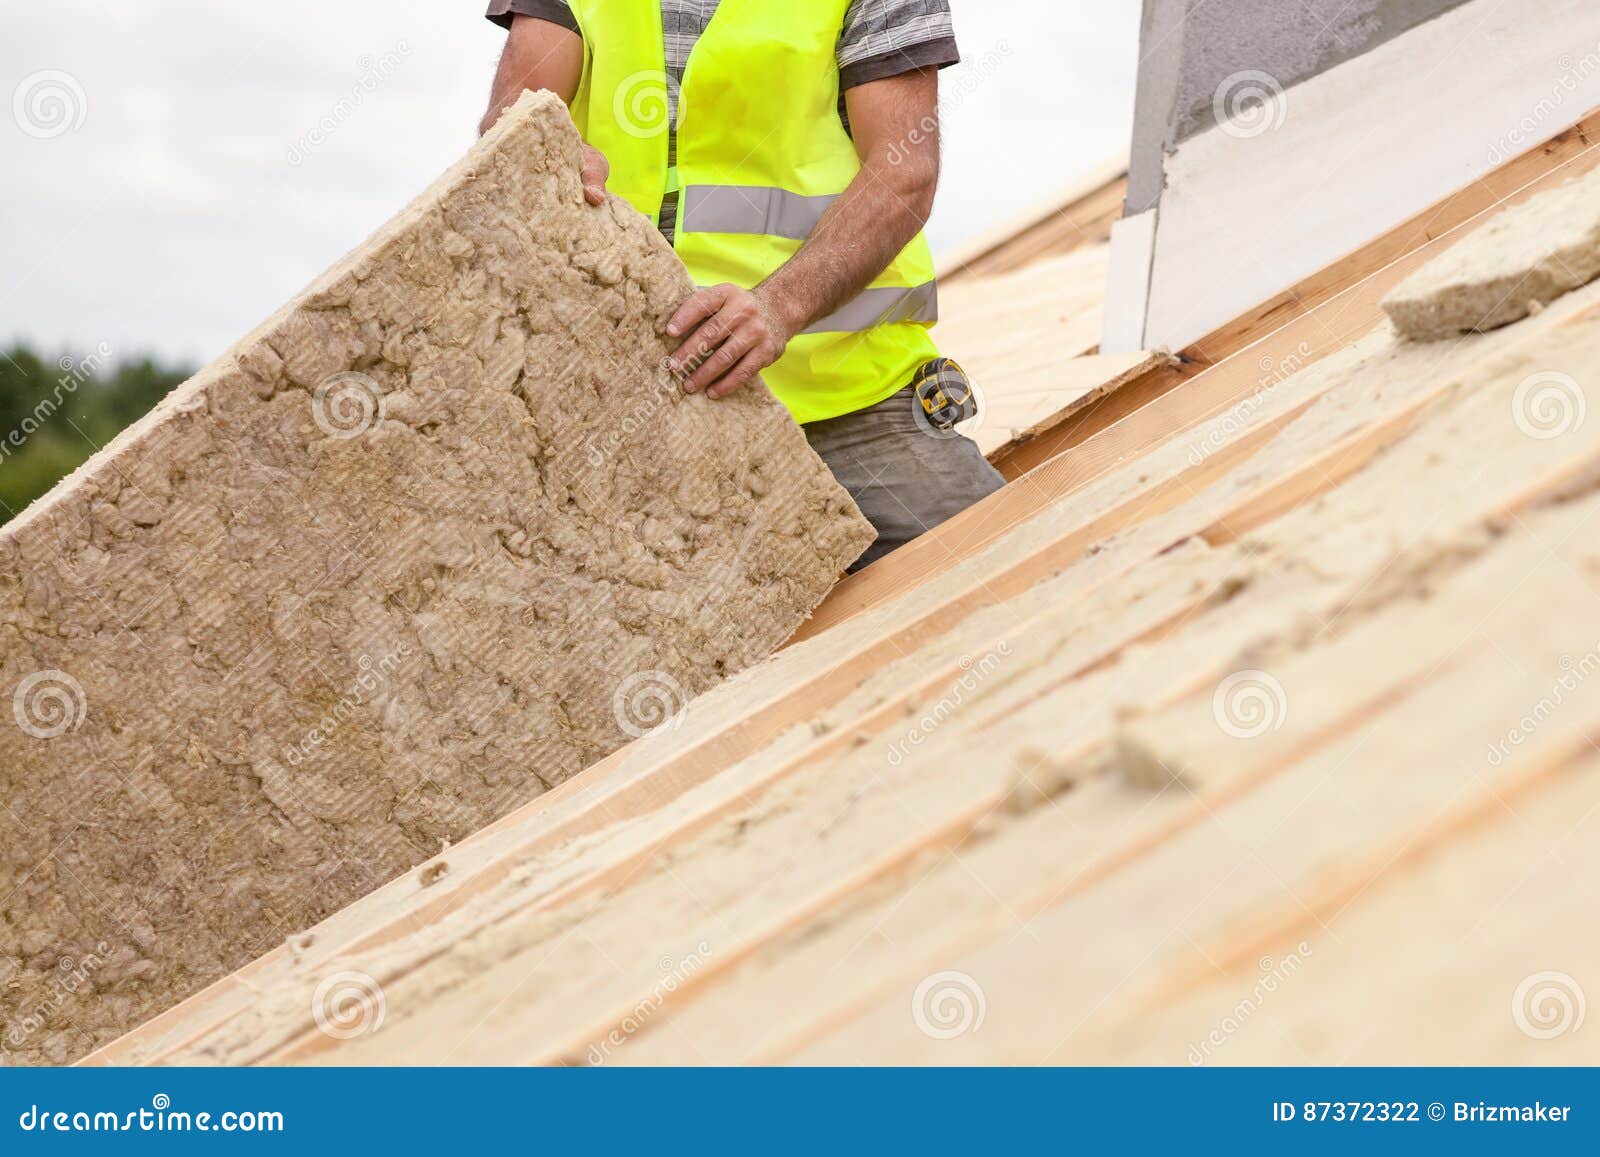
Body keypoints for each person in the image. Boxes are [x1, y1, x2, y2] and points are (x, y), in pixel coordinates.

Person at [481, 1, 1004, 570]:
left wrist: (779, 307)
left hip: (847, 406)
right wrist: (545, 151)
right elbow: (517, 120)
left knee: (1005, 584)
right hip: (619, 407)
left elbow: (903, 171)